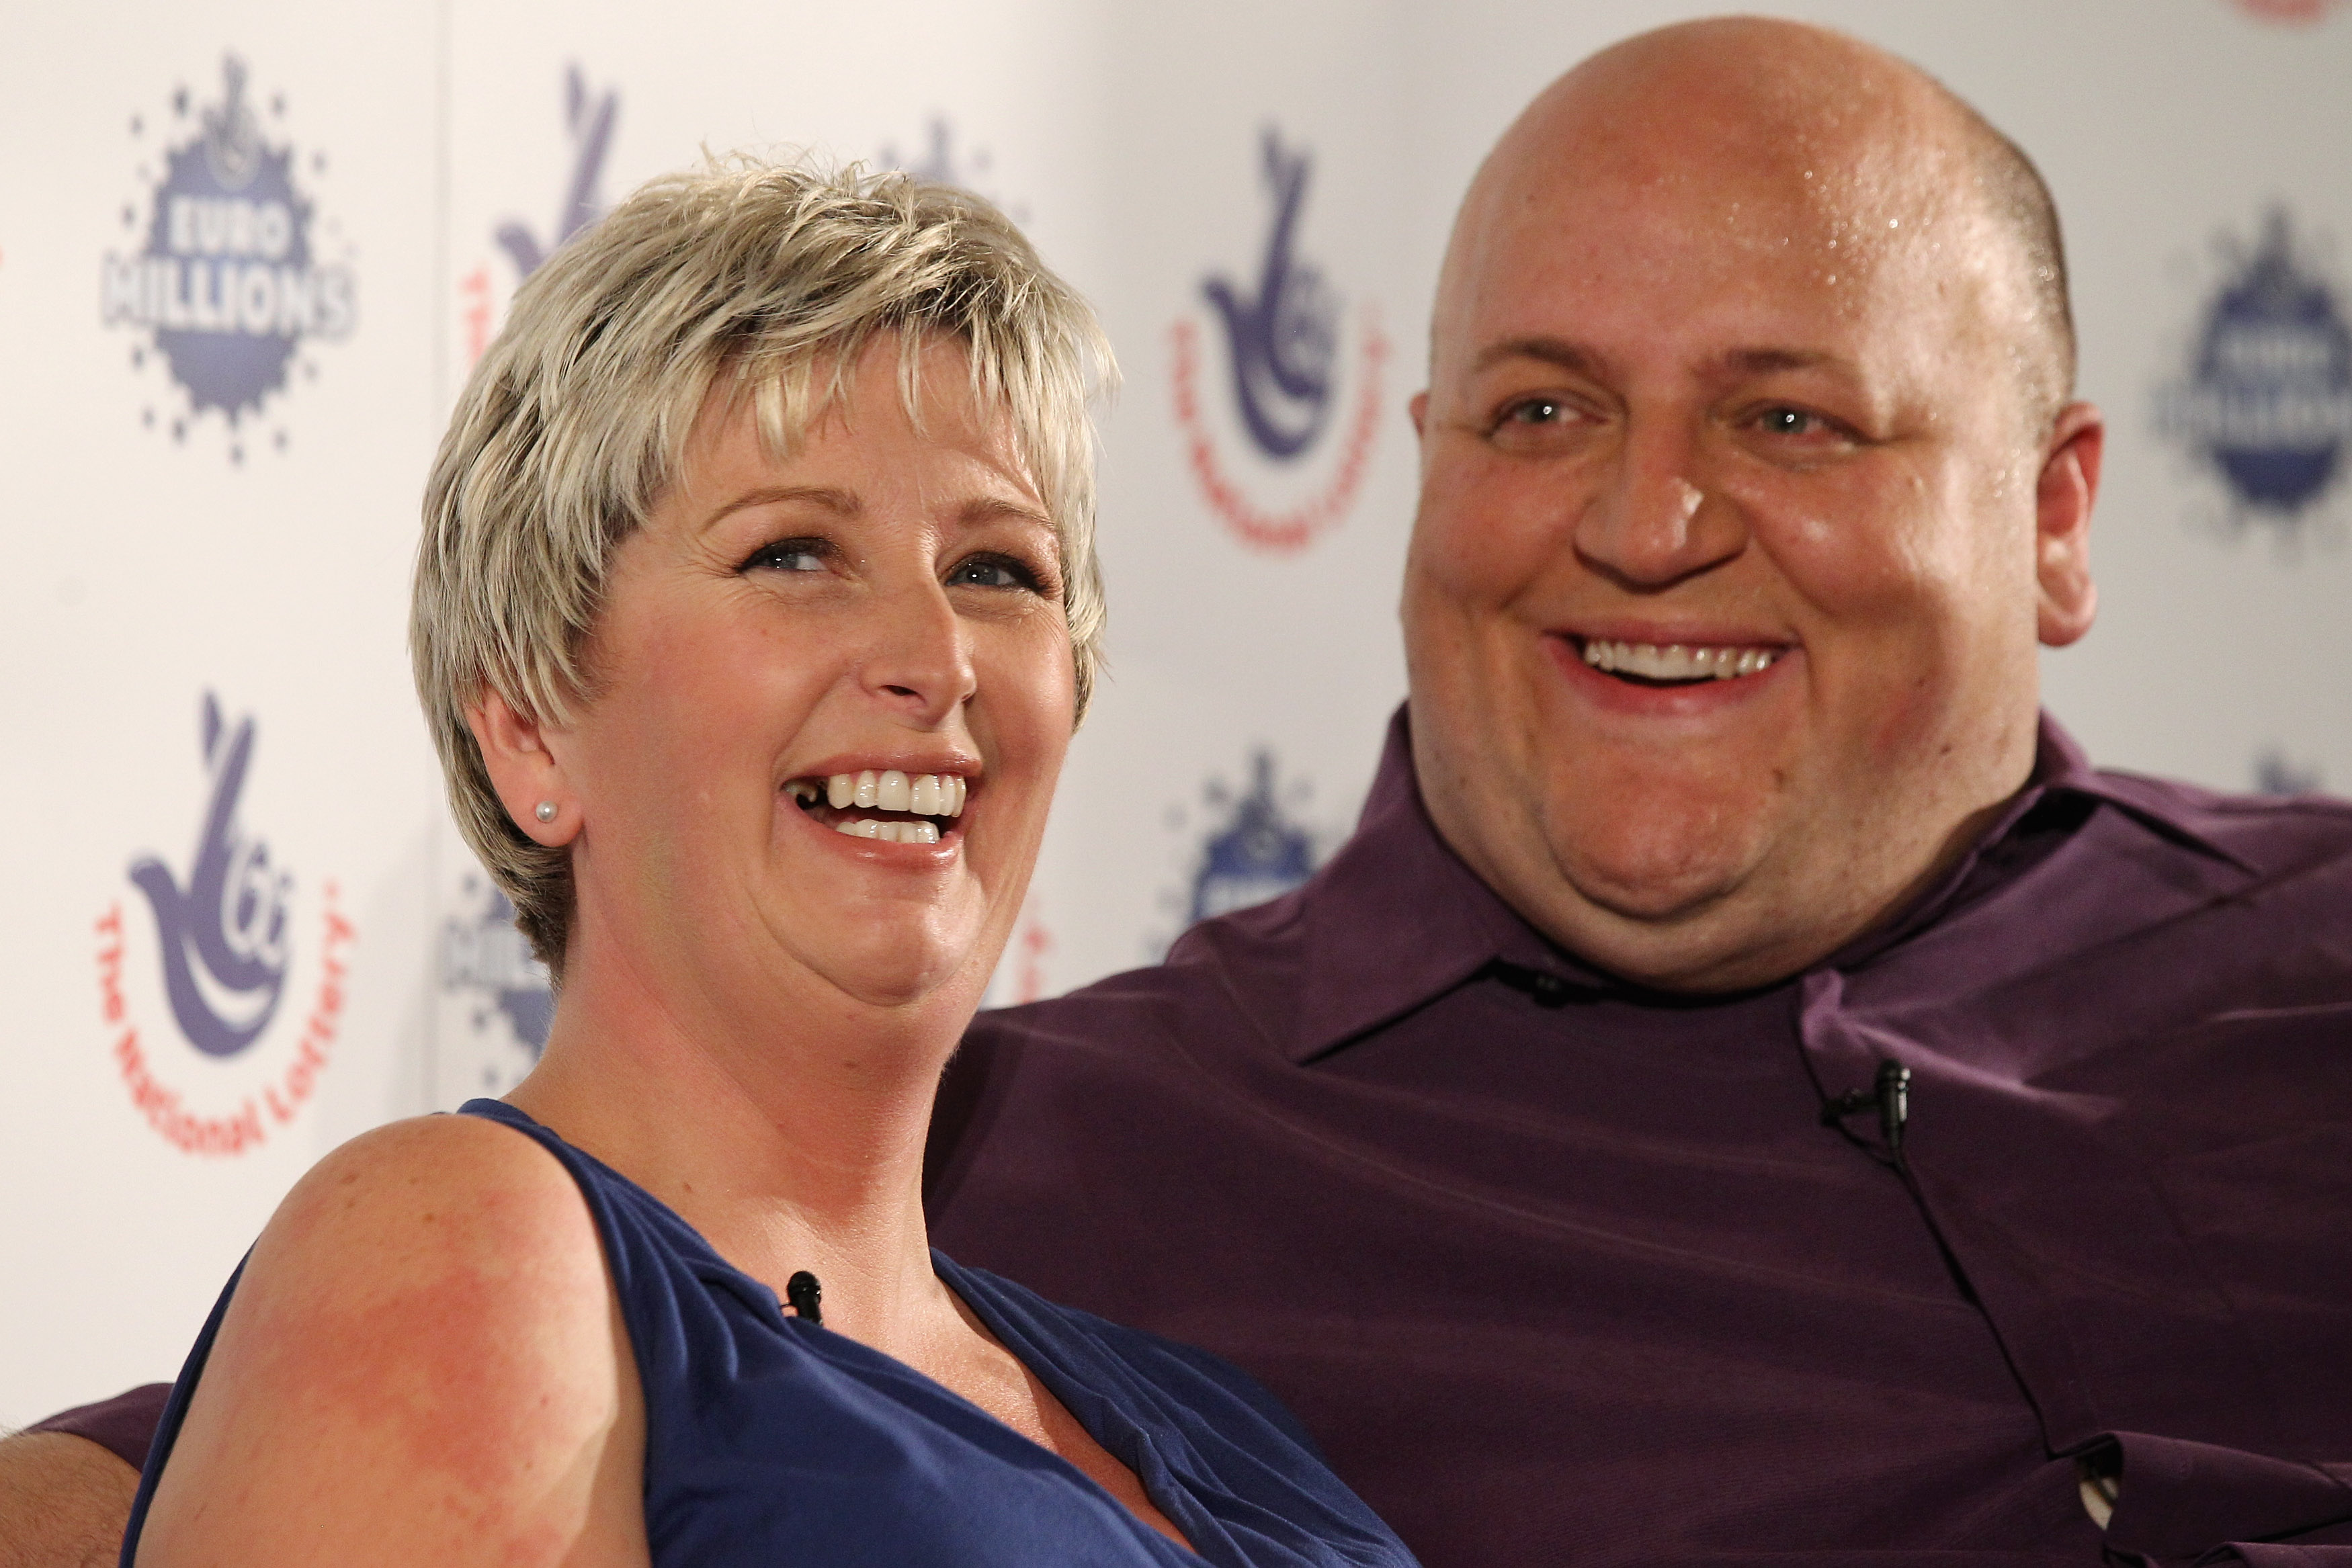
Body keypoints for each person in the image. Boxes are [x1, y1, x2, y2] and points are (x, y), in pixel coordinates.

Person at [9, 15, 2351, 1568]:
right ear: (529, 722)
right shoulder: (1063, 1135)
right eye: (1541, 409)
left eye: (1790, 416)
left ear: (2055, 515)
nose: (1647, 519)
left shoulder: (1090, 1345)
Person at [97, 158, 1417, 1568]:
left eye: (998, 572)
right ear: (531, 728)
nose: (933, 657)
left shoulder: (1214, 1416)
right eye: (795, 553)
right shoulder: (465, 1253)